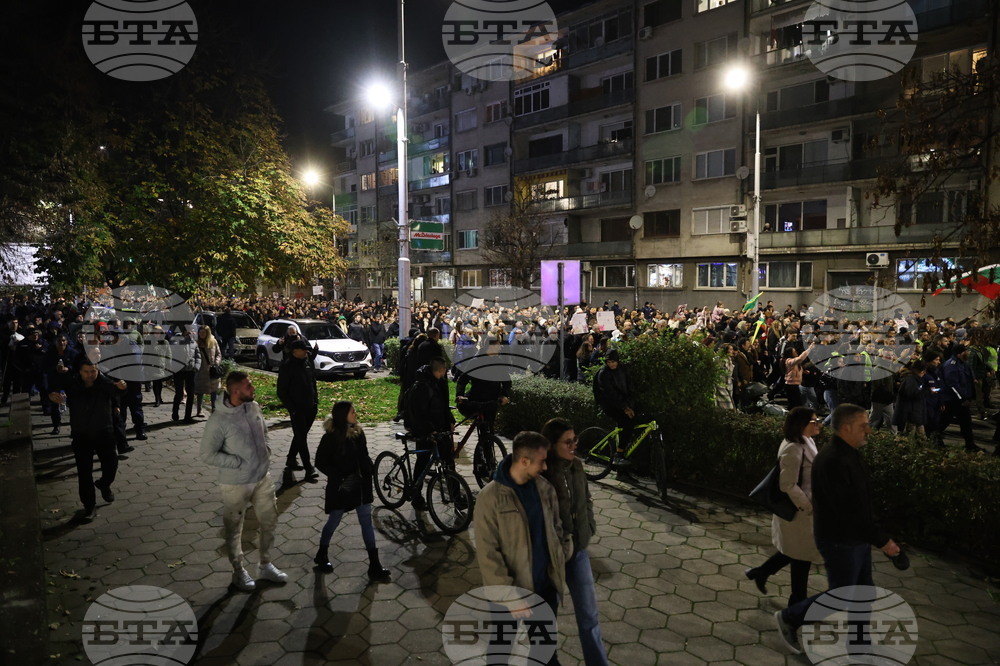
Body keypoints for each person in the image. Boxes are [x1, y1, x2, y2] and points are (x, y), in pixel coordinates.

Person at [775, 403, 901, 655]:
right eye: (863, 426)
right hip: (840, 539)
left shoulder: (849, 454)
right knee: (842, 595)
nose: (869, 430)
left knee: (863, 591)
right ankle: (791, 617)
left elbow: (861, 502)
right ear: (846, 428)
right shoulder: (833, 460)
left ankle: (859, 644)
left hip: (856, 538)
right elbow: (849, 509)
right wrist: (882, 540)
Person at [474, 431, 572, 666]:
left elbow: (556, 528)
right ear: (524, 461)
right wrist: (510, 598)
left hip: (544, 590)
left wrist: (563, 552)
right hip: (508, 596)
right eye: (541, 461)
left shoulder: (544, 488)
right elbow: (488, 555)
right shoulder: (491, 498)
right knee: (500, 652)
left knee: (545, 653)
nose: (546, 466)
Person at [200, 371, 288, 592]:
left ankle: (265, 564)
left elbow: (264, 431)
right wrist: (238, 462)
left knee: (269, 520)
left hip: (261, 477)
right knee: (234, 528)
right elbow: (207, 454)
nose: (253, 389)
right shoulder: (218, 420)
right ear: (236, 391)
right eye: (249, 386)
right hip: (236, 483)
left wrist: (266, 450)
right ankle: (238, 570)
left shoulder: (253, 407)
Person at [541, 418, 609, 666]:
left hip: (578, 551)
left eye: (575, 440)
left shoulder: (577, 467)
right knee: (546, 617)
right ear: (551, 444)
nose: (573, 446)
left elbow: (586, 499)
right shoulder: (541, 472)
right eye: (567, 442)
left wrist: (588, 526)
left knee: (589, 617)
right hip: (551, 556)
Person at [744, 407, 823, 608]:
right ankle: (796, 606)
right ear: (801, 425)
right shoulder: (793, 448)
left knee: (795, 552)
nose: (818, 424)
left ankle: (760, 573)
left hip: (805, 512)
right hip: (799, 512)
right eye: (814, 421)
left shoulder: (806, 441)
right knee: (801, 557)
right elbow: (786, 484)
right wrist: (807, 506)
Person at [311, 401, 390, 581]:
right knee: (334, 520)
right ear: (342, 415)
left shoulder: (358, 433)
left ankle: (374, 565)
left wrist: (369, 467)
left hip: (361, 485)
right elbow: (320, 462)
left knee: (366, 522)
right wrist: (338, 476)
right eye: (352, 411)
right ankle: (322, 553)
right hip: (342, 488)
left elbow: (364, 454)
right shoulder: (330, 437)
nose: (356, 413)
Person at [49, 359, 127, 522]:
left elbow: (116, 391)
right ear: (79, 372)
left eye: (93, 371)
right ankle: (89, 506)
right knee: (84, 473)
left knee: (111, 465)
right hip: (81, 433)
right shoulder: (73, 384)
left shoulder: (104, 382)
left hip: (104, 432)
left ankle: (104, 484)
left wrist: (121, 388)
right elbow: (56, 389)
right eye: (86, 372)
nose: (90, 375)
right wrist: (54, 395)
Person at [403, 357, 455, 509]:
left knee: (448, 461)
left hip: (440, 429)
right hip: (425, 430)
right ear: (441, 370)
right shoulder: (423, 386)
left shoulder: (439, 382)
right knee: (423, 461)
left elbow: (443, 405)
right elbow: (420, 413)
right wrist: (429, 429)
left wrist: (450, 420)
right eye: (445, 370)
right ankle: (416, 496)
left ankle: (456, 495)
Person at [276, 338, 318, 478]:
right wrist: (292, 409)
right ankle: (308, 468)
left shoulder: (306, 362)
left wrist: (316, 401)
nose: (307, 351)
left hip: (310, 407)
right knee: (301, 438)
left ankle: (291, 459)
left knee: (301, 435)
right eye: (304, 349)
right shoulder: (287, 366)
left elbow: (313, 382)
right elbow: (281, 391)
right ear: (295, 351)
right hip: (297, 409)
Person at [592, 349, 635, 463]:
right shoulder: (603, 373)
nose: (611, 364)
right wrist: (625, 408)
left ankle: (624, 446)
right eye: (609, 362)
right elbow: (610, 394)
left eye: (613, 361)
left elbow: (629, 387)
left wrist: (629, 405)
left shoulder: (623, 369)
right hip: (609, 404)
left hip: (622, 402)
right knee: (627, 423)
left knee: (634, 420)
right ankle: (619, 454)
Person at [939, 345, 983, 452]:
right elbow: (952, 385)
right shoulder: (951, 365)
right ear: (960, 353)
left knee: (966, 423)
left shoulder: (963, 363)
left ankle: (970, 445)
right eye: (966, 351)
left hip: (962, 400)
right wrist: (962, 399)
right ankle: (934, 440)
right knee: (944, 421)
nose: (968, 353)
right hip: (953, 400)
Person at [171, 326, 201, 423]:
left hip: (190, 371)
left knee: (191, 394)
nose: (191, 332)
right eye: (189, 330)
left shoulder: (193, 342)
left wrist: (196, 367)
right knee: (179, 393)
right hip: (179, 371)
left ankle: (187, 416)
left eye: (192, 330)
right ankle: (175, 413)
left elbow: (198, 356)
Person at [195, 324, 222, 416]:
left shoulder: (213, 342)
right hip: (201, 371)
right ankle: (199, 410)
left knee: (214, 391)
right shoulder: (197, 343)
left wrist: (216, 362)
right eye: (200, 332)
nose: (201, 334)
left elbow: (218, 353)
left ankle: (214, 409)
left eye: (203, 332)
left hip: (212, 371)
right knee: (200, 391)